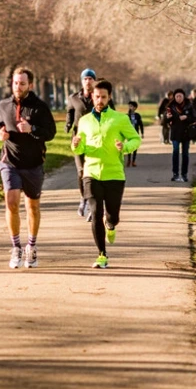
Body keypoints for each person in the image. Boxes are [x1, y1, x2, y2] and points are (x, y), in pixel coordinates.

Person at [71, 80, 142, 268]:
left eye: (103, 97)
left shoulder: (120, 119)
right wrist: (76, 145)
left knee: (112, 216)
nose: (99, 100)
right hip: (91, 173)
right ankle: (101, 254)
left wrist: (124, 147)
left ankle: (110, 225)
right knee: (95, 213)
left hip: (114, 174)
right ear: (92, 97)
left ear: (109, 97)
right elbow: (80, 148)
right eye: (96, 97)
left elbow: (136, 138)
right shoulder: (85, 121)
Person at [0, 67, 56, 268]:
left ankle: (31, 246)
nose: (18, 87)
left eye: (22, 83)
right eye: (15, 83)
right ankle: (15, 247)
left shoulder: (40, 107)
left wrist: (32, 129)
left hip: (33, 163)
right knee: (11, 202)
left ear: (30, 85)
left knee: (32, 206)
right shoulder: (4, 105)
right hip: (9, 161)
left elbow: (51, 132)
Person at [66, 68, 98, 221]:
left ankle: (93, 203)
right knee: (80, 171)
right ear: (82, 81)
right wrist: (68, 124)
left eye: (91, 79)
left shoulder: (99, 96)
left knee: (92, 171)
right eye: (85, 79)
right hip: (78, 138)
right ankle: (83, 198)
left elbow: (111, 113)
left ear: (94, 81)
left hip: (96, 139)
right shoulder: (74, 98)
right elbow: (70, 112)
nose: (88, 81)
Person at [165, 89, 196, 182]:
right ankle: (175, 174)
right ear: (174, 97)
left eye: (180, 96)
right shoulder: (170, 106)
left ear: (183, 96)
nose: (178, 98)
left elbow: (195, 117)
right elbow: (165, 121)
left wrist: (187, 117)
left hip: (186, 133)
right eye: (177, 96)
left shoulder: (189, 105)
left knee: (185, 154)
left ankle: (184, 174)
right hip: (175, 133)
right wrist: (167, 118)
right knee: (175, 152)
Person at [125, 101, 144, 167]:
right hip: (129, 134)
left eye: (132, 106)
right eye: (130, 106)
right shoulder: (127, 116)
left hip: (135, 134)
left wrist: (142, 133)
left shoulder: (137, 115)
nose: (131, 107)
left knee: (135, 147)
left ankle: (133, 161)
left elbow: (141, 124)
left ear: (135, 108)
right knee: (129, 147)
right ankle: (129, 160)